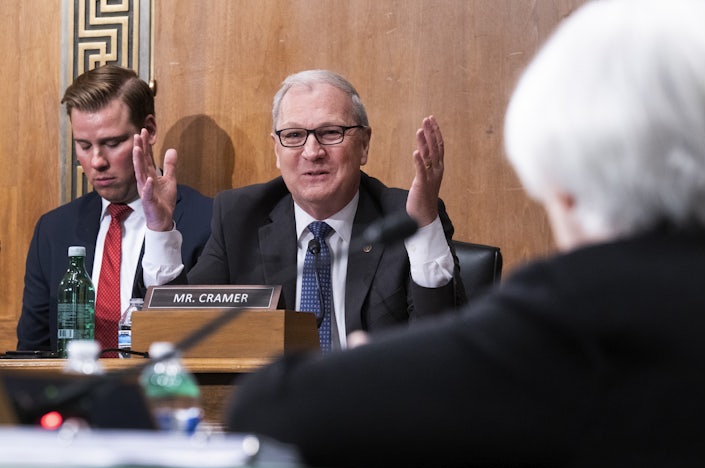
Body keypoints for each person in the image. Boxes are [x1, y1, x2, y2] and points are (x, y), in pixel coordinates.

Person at [225, 0, 705, 468]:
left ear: (565, 182)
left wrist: (367, 367)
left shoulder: (575, 314)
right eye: (294, 136)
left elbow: (270, 407)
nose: (312, 150)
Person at [141, 70, 465, 351]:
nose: (312, 152)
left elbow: (441, 347)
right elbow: (180, 333)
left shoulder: (403, 220)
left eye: (330, 133)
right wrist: (159, 229)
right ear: (276, 150)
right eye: (294, 135)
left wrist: (423, 227)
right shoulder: (240, 217)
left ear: (364, 144)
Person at [17, 65, 212, 355]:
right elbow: (31, 352)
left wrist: (161, 229)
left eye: (112, 143)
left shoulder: (207, 221)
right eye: (83, 145)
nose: (96, 162)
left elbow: (202, 341)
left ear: (149, 130)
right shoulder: (53, 229)